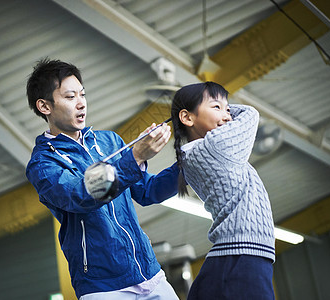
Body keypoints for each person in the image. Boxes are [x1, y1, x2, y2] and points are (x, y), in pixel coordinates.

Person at [25, 58, 180, 300]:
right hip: (102, 289)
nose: (81, 104)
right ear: (45, 107)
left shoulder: (109, 141)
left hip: (150, 274)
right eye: (69, 97)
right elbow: (80, 195)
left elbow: (149, 191)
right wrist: (136, 156)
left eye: (82, 95)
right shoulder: (43, 164)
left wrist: (189, 163)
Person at [170, 82, 275, 299]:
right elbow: (251, 114)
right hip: (242, 254)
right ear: (187, 117)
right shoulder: (216, 145)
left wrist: (217, 107)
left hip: (236, 253)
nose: (227, 116)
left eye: (228, 109)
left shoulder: (194, 154)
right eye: (216, 107)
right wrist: (229, 109)